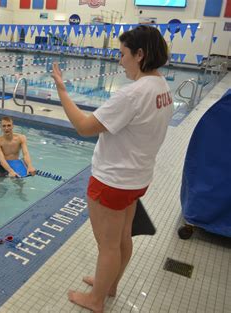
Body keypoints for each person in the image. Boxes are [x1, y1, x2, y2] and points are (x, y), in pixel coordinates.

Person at [51, 25, 172, 313]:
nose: (120, 61)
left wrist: (61, 90)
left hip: (112, 182)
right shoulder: (162, 87)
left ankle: (96, 301)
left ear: (139, 54)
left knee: (108, 246)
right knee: (122, 238)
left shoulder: (132, 94)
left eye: (123, 54)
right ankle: (111, 284)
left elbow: (84, 127)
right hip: (137, 179)